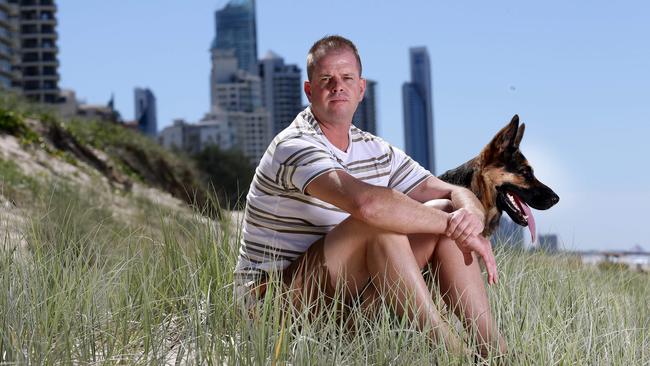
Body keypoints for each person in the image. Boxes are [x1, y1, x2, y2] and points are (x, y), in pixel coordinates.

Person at [234, 35, 506, 356]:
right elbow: (367, 205)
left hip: (342, 307)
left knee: (445, 210)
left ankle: (499, 354)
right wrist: (451, 223)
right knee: (377, 223)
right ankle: (456, 356)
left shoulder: (375, 149)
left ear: (361, 89)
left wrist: (469, 220)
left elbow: (451, 190)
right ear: (309, 91)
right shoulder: (294, 145)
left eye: (347, 78)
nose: (338, 86)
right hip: (274, 312)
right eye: (326, 79)